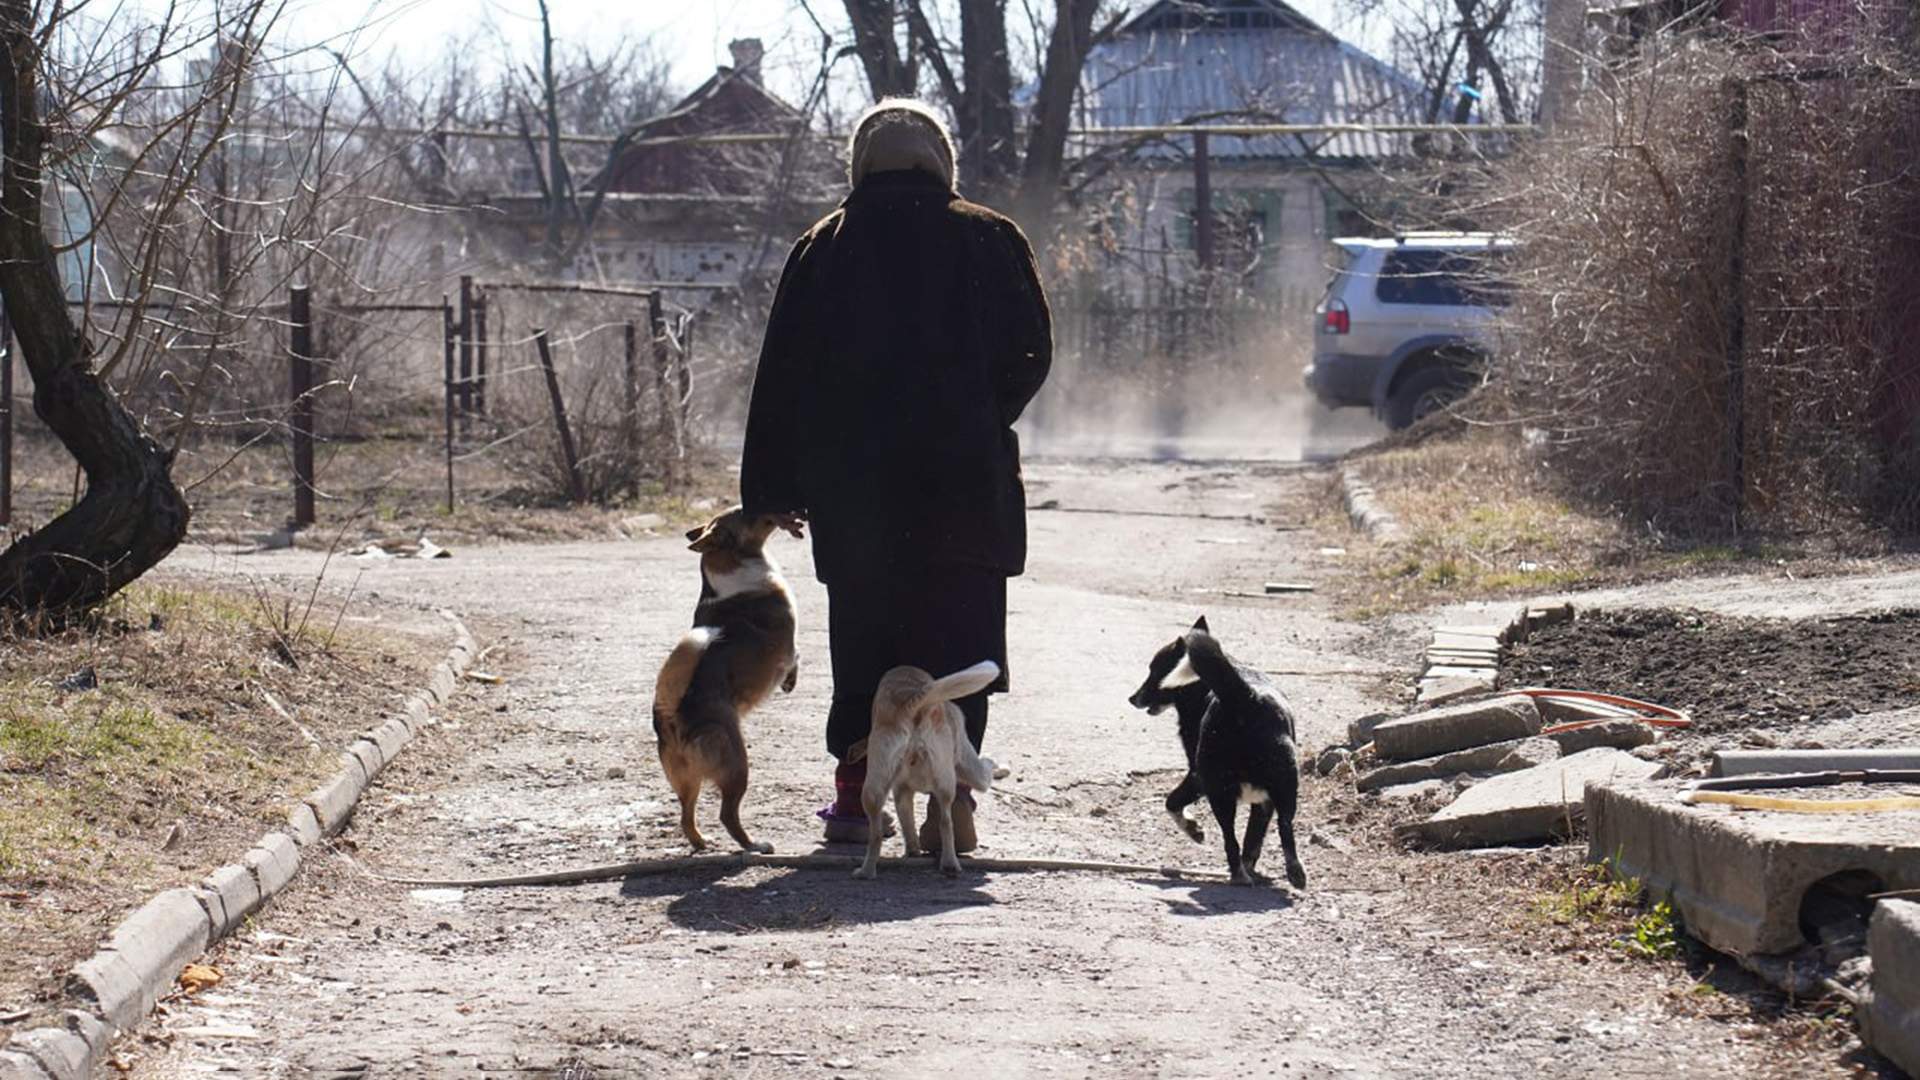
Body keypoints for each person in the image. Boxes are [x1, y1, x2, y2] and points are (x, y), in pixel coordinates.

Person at [739, 98, 1052, 851]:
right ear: (941, 161)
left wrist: (774, 491)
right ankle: (953, 800)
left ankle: (856, 797)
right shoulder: (992, 238)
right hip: (964, 489)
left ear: (861, 164)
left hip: (857, 492)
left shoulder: (824, 247)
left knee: (867, 638)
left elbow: (782, 373)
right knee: (958, 634)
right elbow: (1032, 354)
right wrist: (980, 413)